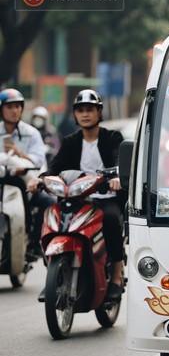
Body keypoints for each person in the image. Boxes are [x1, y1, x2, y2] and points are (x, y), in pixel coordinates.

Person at [27, 89, 126, 301]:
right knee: (52, 217)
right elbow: (55, 165)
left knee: (110, 219)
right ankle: (53, 277)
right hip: (76, 199)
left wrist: (117, 178)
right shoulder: (71, 141)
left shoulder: (112, 137)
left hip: (105, 199)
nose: (85, 114)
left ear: (100, 112)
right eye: (80, 110)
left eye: (90, 109)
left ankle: (116, 276)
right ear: (75, 115)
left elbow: (119, 160)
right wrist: (40, 179)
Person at [0, 88, 52, 256]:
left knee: (49, 202)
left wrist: (19, 154)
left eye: (17, 106)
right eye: (10, 107)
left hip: (25, 182)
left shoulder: (32, 133)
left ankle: (34, 242)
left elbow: (38, 161)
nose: (15, 110)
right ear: (1, 109)